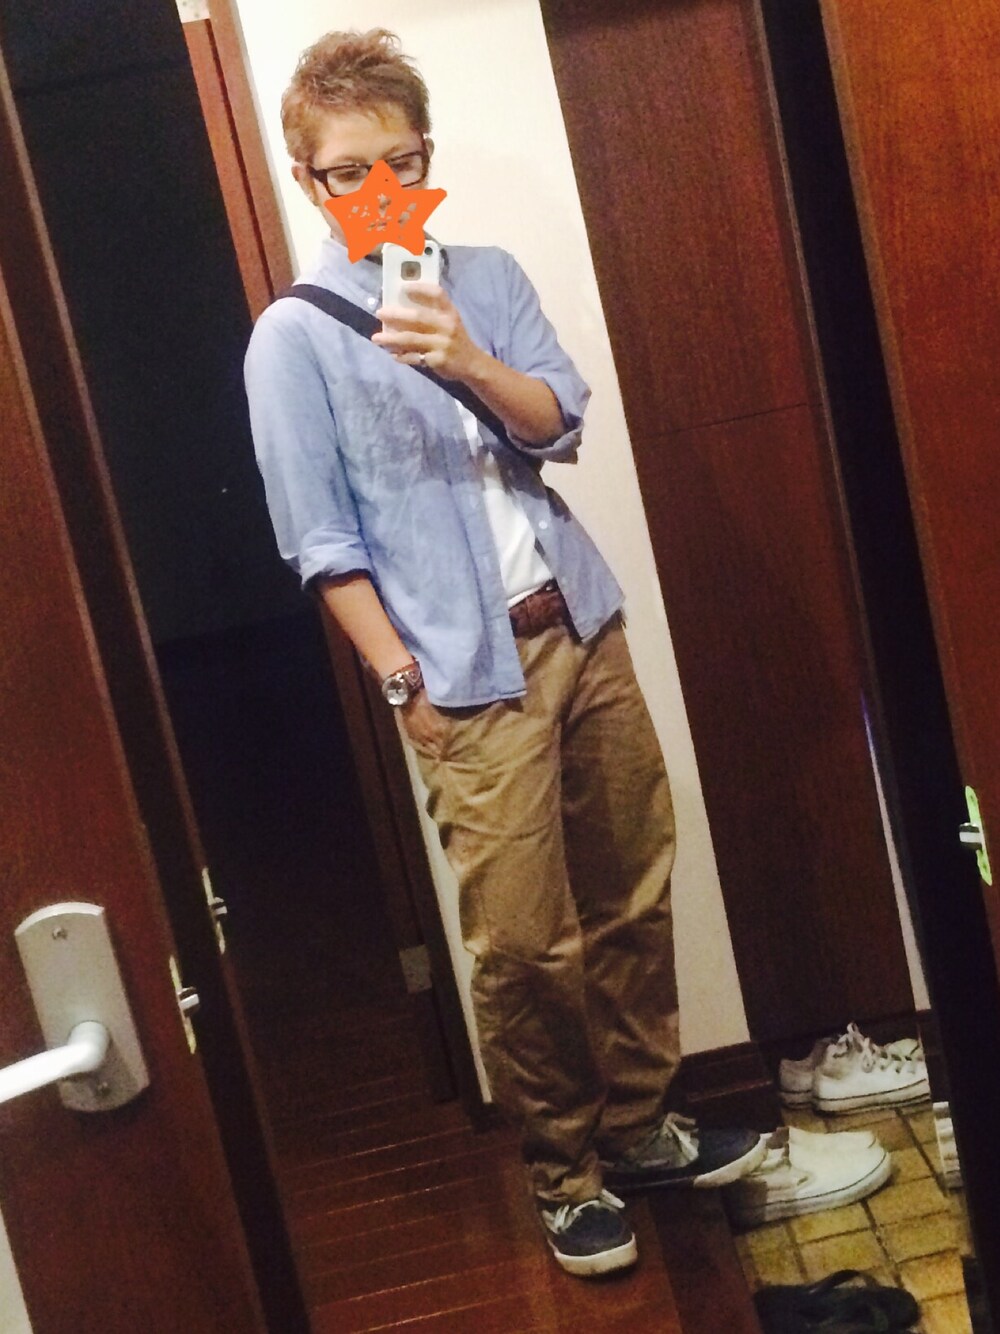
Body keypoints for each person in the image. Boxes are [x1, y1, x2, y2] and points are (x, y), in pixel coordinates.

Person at [244, 27, 765, 1278]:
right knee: (527, 943)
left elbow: (561, 418)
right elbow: (319, 540)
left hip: (579, 624)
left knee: (631, 890)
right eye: (348, 170)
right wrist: (399, 679)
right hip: (462, 677)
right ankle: (565, 1170)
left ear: (427, 157)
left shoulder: (484, 274)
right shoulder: (293, 339)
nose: (378, 187)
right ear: (308, 179)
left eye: (401, 161)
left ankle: (640, 1125)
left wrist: (465, 355)